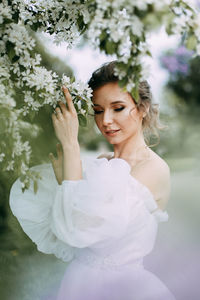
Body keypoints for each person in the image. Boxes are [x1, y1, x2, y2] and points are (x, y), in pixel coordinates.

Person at [9, 61, 176, 300]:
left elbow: (80, 230)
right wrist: (65, 182)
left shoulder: (153, 169)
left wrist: (71, 146)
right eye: (98, 110)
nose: (105, 120)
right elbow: (68, 229)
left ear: (142, 108)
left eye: (118, 108)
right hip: (78, 283)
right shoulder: (102, 162)